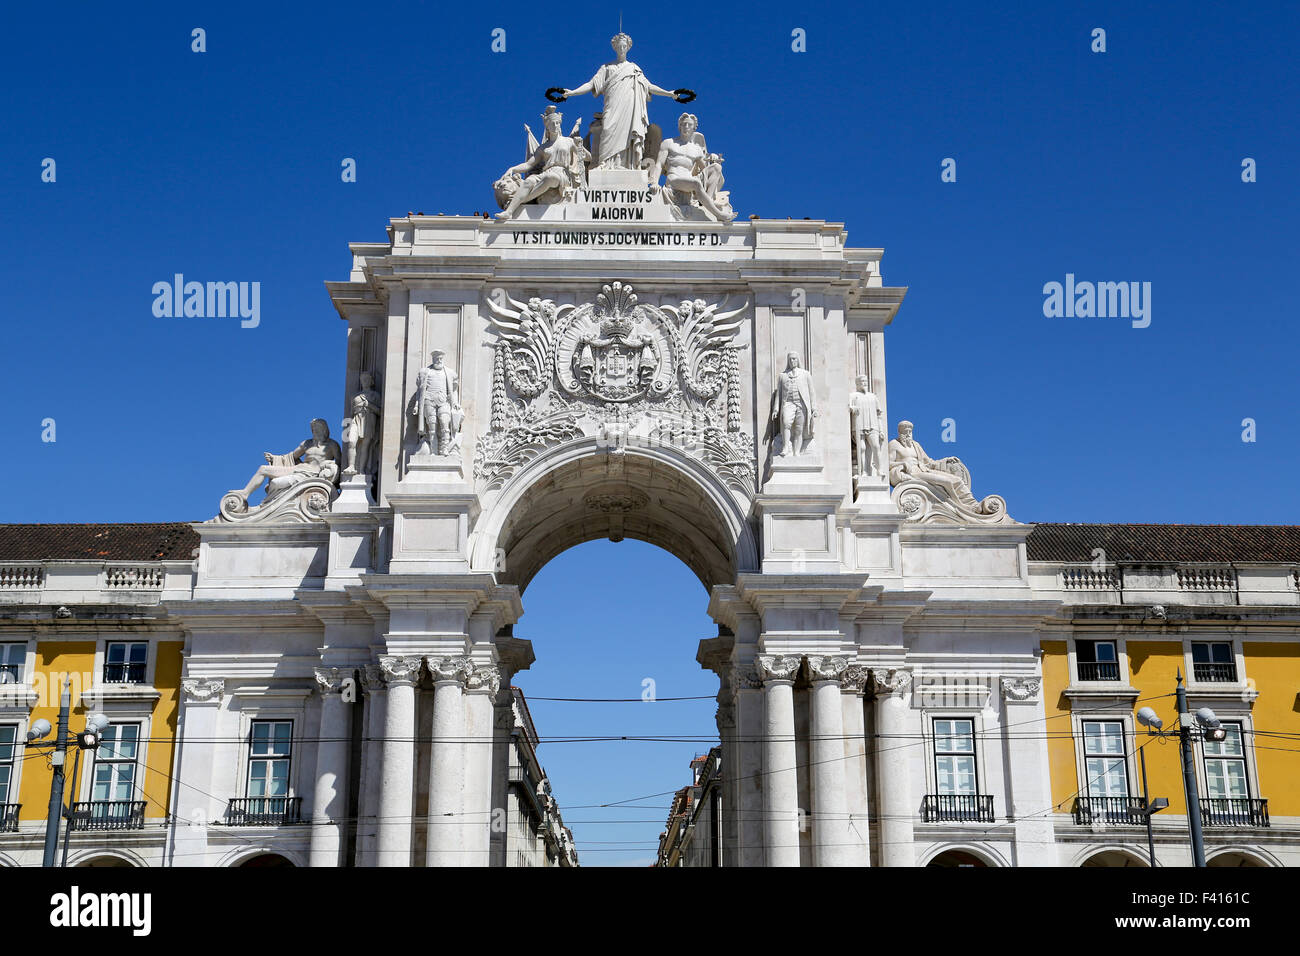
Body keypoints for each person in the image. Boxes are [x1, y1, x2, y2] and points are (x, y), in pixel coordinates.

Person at [559, 33, 678, 170]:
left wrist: (669, 93)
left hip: (629, 107)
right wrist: (572, 92)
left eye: (624, 46)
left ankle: (628, 165)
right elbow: (591, 84)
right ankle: (604, 164)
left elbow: (649, 86)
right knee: (608, 129)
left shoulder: (634, 69)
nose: (622, 48)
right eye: (619, 46)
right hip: (612, 105)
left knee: (629, 133)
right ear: (615, 47)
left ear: (628, 47)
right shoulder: (606, 68)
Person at [495, 107, 587, 219]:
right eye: (553, 123)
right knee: (528, 181)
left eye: (558, 123)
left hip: (562, 174)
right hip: (546, 172)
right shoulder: (543, 148)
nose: (556, 126)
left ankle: (521, 200)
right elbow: (529, 165)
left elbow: (587, 157)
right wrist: (512, 169)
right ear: (547, 126)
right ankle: (509, 212)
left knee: (550, 177)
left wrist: (580, 147)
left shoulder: (569, 142)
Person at [651, 113, 734, 222]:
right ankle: (718, 214)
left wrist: (713, 160)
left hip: (690, 180)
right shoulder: (668, 143)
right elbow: (659, 164)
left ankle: (706, 203)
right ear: (679, 126)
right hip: (674, 179)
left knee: (716, 168)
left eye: (689, 125)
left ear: (694, 128)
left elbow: (706, 170)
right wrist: (654, 182)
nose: (686, 127)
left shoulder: (696, 149)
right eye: (684, 124)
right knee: (696, 183)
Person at [233, 419, 341, 501]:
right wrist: (274, 458)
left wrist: (331, 468)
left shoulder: (332, 445)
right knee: (263, 469)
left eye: (318, 428)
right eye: (314, 429)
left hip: (313, 474)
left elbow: (340, 463)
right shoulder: (306, 443)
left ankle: (269, 503)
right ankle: (245, 493)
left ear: (325, 430)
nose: (315, 431)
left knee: (275, 483)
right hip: (299, 469)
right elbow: (291, 456)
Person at [887, 420, 978, 507]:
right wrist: (902, 464)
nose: (908, 435)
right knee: (947, 482)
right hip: (913, 473)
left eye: (910, 432)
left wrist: (946, 460)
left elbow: (929, 462)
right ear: (900, 432)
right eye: (905, 432)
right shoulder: (894, 444)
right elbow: (887, 464)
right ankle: (958, 505)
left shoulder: (915, 445)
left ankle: (971, 504)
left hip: (924, 470)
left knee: (956, 480)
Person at [416, 349, 462, 456]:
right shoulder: (425, 372)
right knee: (432, 427)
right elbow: (420, 390)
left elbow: (453, 390)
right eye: (437, 358)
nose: (439, 360)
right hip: (429, 400)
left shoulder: (449, 372)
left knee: (445, 423)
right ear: (433, 359)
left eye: (440, 358)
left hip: (443, 400)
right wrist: (417, 405)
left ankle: (444, 448)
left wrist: (455, 402)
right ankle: (433, 450)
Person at [773, 352, 817, 456]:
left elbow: (812, 392)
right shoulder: (783, 376)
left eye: (795, 359)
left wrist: (814, 408)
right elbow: (778, 394)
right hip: (788, 403)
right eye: (791, 359)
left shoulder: (805, 374)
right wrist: (776, 409)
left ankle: (797, 452)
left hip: (801, 405)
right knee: (786, 423)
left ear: (798, 360)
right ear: (788, 361)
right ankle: (785, 447)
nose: (793, 361)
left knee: (799, 429)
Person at [342, 371, 382, 477]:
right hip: (356, 419)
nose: (364, 382)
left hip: (369, 419)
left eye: (366, 379)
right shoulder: (355, 396)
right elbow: (350, 414)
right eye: (362, 380)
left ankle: (362, 470)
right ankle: (351, 465)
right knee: (351, 442)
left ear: (371, 381)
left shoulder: (375, 395)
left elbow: (380, 411)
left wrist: (369, 405)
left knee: (365, 445)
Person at [848, 375, 884, 479]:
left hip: (873, 425)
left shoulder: (873, 396)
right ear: (857, 383)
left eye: (865, 381)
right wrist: (852, 408)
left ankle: (879, 469)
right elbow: (848, 406)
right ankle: (864, 471)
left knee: (876, 447)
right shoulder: (853, 395)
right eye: (862, 381)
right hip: (858, 426)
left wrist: (881, 430)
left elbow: (879, 414)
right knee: (862, 448)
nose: (864, 383)